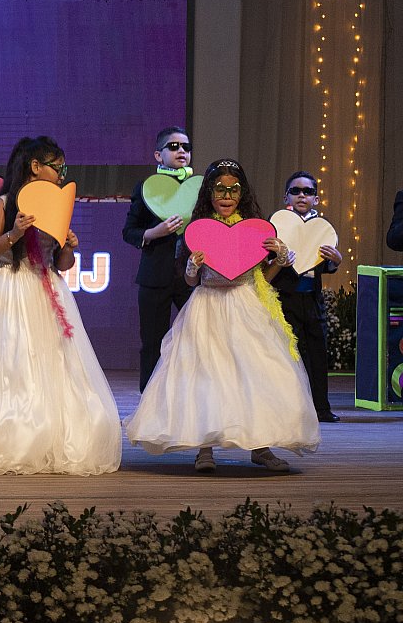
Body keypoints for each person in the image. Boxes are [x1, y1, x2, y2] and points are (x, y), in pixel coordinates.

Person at [0, 136, 122, 475]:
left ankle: (50, 436)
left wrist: (69, 246)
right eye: (57, 168)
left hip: (46, 288)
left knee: (52, 364)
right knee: (10, 366)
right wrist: (14, 233)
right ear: (36, 166)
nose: (61, 175)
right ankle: (8, 437)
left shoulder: (56, 205)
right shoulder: (4, 204)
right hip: (7, 289)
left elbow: (63, 264)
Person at [128, 159, 320, 473]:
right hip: (208, 306)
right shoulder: (199, 229)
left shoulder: (254, 229)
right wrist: (192, 268)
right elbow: (191, 281)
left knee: (257, 374)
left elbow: (262, 279)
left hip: (246, 305)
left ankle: (261, 446)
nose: (227, 196)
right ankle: (204, 449)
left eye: (234, 190)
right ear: (210, 193)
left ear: (242, 193)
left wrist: (280, 260)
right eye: (220, 189)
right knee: (205, 376)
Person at [123, 126, 196, 389]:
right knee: (152, 344)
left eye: (186, 147)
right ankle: (149, 403)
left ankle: (191, 400)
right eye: (174, 146)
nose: (181, 151)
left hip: (192, 277)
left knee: (198, 341)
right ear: (158, 155)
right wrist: (156, 232)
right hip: (155, 277)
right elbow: (129, 231)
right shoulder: (147, 188)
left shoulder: (199, 187)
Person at [271, 172, 343, 422]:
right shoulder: (277, 225)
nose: (302, 196)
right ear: (286, 197)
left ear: (316, 198)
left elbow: (326, 262)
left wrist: (336, 262)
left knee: (317, 352)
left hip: (312, 298)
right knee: (289, 354)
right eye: (296, 191)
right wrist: (278, 259)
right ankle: (290, 410)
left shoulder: (322, 228)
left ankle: (321, 408)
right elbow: (265, 261)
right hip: (284, 297)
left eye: (308, 192)